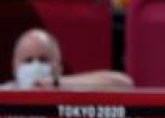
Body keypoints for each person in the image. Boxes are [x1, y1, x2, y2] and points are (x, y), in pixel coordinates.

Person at [4, 28, 133, 90]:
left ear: (59, 67)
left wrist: (56, 83)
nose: (35, 66)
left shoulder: (69, 90)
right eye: (28, 60)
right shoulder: (3, 95)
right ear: (14, 67)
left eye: (43, 60)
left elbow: (124, 84)